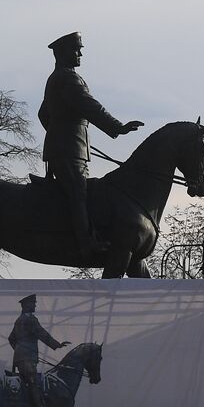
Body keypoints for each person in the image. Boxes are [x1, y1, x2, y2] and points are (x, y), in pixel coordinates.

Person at [37, 32, 144, 259]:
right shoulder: (67, 79)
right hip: (69, 150)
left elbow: (43, 114)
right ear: (64, 52)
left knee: (79, 191)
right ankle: (86, 243)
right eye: (77, 50)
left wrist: (58, 133)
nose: (81, 54)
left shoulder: (58, 78)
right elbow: (90, 107)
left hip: (69, 148)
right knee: (78, 192)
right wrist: (117, 127)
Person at [9, 293, 68, 407]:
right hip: (27, 357)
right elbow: (41, 333)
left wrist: (19, 350)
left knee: (29, 380)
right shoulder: (30, 319)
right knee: (33, 380)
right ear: (26, 305)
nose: (35, 305)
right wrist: (57, 344)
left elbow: (11, 339)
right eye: (33, 303)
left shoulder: (19, 320)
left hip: (21, 357)